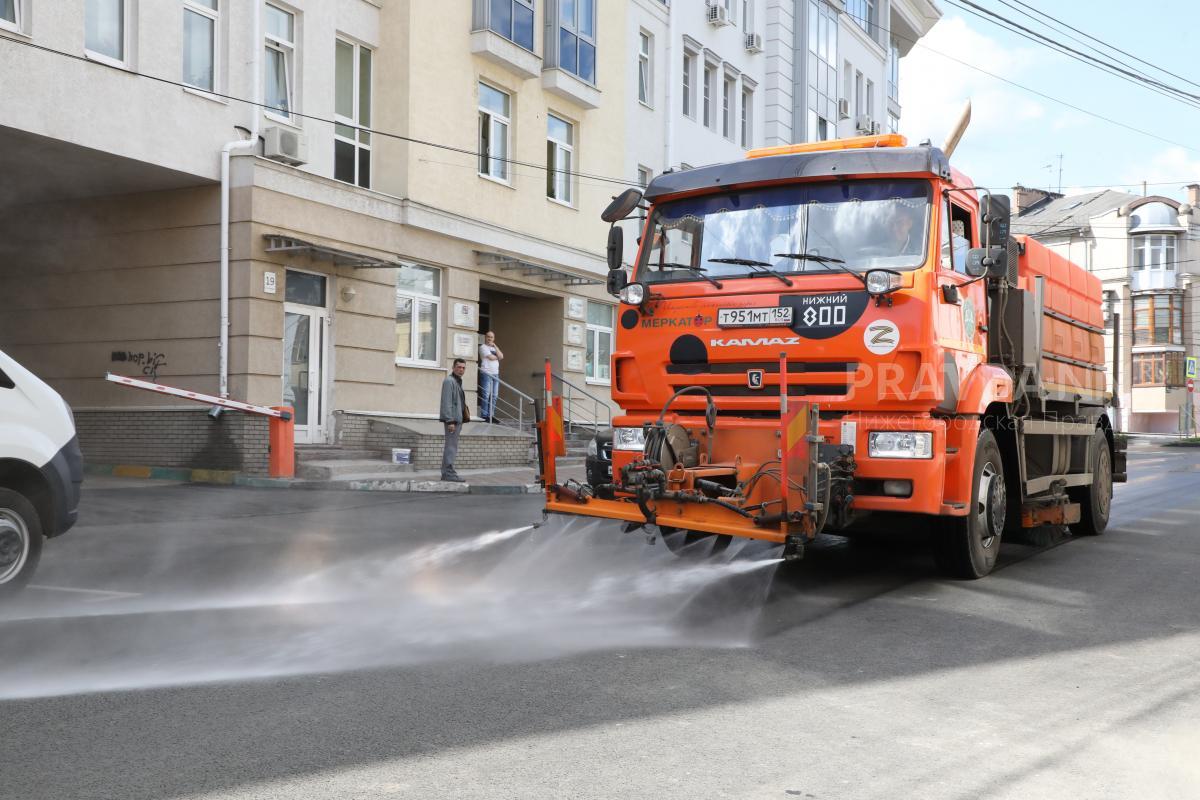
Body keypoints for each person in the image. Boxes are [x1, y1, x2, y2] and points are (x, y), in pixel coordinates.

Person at [439, 358, 470, 482]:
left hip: (457, 420)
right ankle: (448, 473)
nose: (461, 369)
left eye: (463, 368)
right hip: (452, 421)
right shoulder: (449, 381)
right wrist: (450, 421)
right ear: (453, 367)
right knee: (451, 447)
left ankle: (447, 472)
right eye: (459, 367)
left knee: (452, 446)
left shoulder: (457, 382)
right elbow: (447, 403)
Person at [477, 331, 503, 423]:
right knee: (486, 395)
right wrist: (498, 357)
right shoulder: (482, 347)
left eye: (491, 337)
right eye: (488, 337)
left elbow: (502, 356)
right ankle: (484, 415)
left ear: (494, 339)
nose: (489, 339)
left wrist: (495, 346)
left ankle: (491, 415)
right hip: (486, 373)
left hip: (495, 374)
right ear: (485, 337)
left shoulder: (494, 347)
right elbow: (491, 357)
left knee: (495, 396)